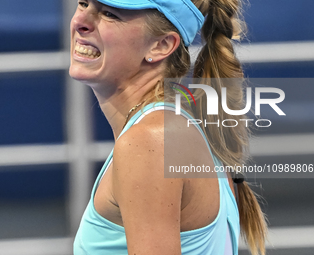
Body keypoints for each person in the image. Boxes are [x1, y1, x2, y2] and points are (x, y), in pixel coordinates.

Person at [69, 0, 267, 254]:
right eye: (83, 3)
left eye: (110, 14)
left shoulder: (150, 140)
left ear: (161, 45)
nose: (80, 22)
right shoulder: (180, 124)